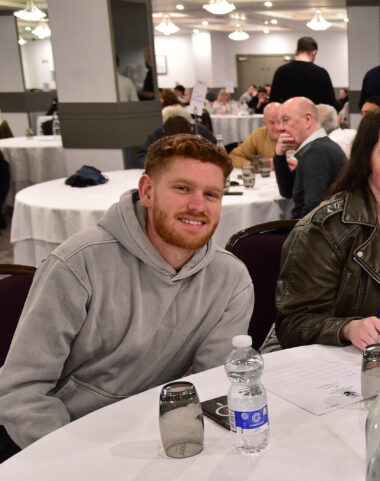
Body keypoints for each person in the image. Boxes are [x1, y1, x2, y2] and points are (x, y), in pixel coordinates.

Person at [0, 134, 254, 458]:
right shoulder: (78, 263)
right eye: (182, 188)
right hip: (63, 440)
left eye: (211, 194)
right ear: (147, 191)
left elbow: (210, 384)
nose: (198, 205)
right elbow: (23, 389)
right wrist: (73, 462)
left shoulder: (231, 279)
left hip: (158, 442)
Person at [275, 108, 380, 350]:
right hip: (336, 367)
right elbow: (292, 325)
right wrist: (347, 328)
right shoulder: (325, 229)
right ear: (366, 162)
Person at [273, 97, 347, 219]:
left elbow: (313, 211)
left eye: (285, 120)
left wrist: (293, 237)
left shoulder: (317, 152)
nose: (280, 128)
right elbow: (287, 191)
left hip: (315, 235)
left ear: (307, 119)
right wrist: (279, 155)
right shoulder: (318, 147)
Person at [134, 103, 216, 168]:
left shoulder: (201, 132)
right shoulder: (157, 134)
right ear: (164, 133)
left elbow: (217, 154)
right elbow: (142, 158)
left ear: (191, 130)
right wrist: (159, 164)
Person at [269, 37, 338, 108]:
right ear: (314, 52)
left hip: (288, 117)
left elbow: (273, 102)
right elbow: (330, 105)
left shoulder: (281, 71)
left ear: (296, 51)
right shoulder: (321, 73)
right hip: (313, 117)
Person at [229, 102, 282, 168]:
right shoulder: (259, 135)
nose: (277, 127)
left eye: (280, 121)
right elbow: (233, 156)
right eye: (272, 122)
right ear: (264, 123)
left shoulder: (294, 135)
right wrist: (259, 164)